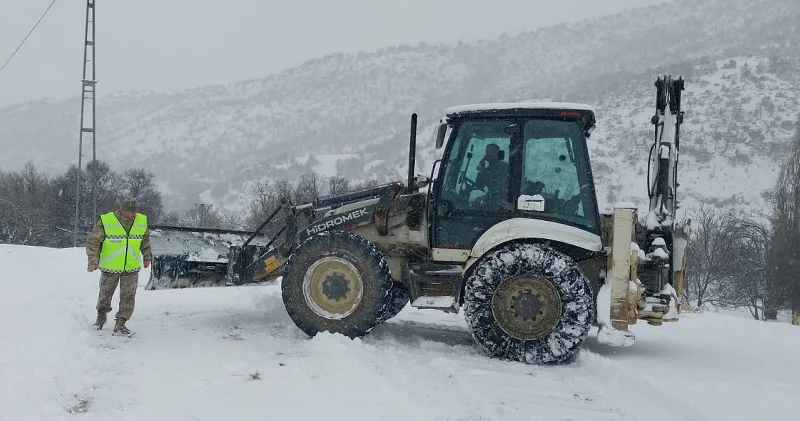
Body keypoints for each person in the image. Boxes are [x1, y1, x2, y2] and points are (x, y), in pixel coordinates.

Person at [86, 197, 151, 335]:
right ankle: (101, 315)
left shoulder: (141, 221)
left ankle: (121, 323)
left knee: (128, 296)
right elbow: (93, 242)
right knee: (105, 294)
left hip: (131, 267)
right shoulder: (107, 221)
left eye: (135, 211)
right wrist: (92, 261)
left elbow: (145, 240)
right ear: (122, 210)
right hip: (110, 266)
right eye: (130, 212)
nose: (133, 214)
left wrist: (147, 256)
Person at [473, 143, 510, 208]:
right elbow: (480, 185)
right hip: (495, 201)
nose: (488, 155)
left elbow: (498, 191)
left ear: (498, 153)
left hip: (502, 204)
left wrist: (486, 198)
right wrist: (481, 171)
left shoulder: (502, 167)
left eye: (492, 152)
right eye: (487, 152)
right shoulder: (490, 169)